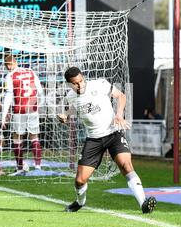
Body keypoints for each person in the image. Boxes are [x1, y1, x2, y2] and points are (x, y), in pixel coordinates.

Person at [57, 67, 156, 214]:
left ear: (83, 77)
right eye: (75, 84)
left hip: (113, 133)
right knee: (79, 180)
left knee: (126, 165)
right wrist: (65, 114)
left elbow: (121, 96)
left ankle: (144, 204)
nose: (80, 85)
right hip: (94, 139)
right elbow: (74, 107)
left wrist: (119, 115)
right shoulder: (71, 96)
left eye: (81, 81)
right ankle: (80, 202)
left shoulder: (100, 84)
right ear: (69, 84)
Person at [1, 55, 45, 176]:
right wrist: (40, 105)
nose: (9, 67)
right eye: (7, 65)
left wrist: (3, 115)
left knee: (18, 138)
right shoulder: (30, 72)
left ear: (14, 63)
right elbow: (40, 91)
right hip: (32, 109)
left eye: (10, 64)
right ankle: (37, 167)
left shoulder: (10, 76)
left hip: (20, 110)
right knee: (34, 137)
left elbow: (9, 96)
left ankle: (22, 167)